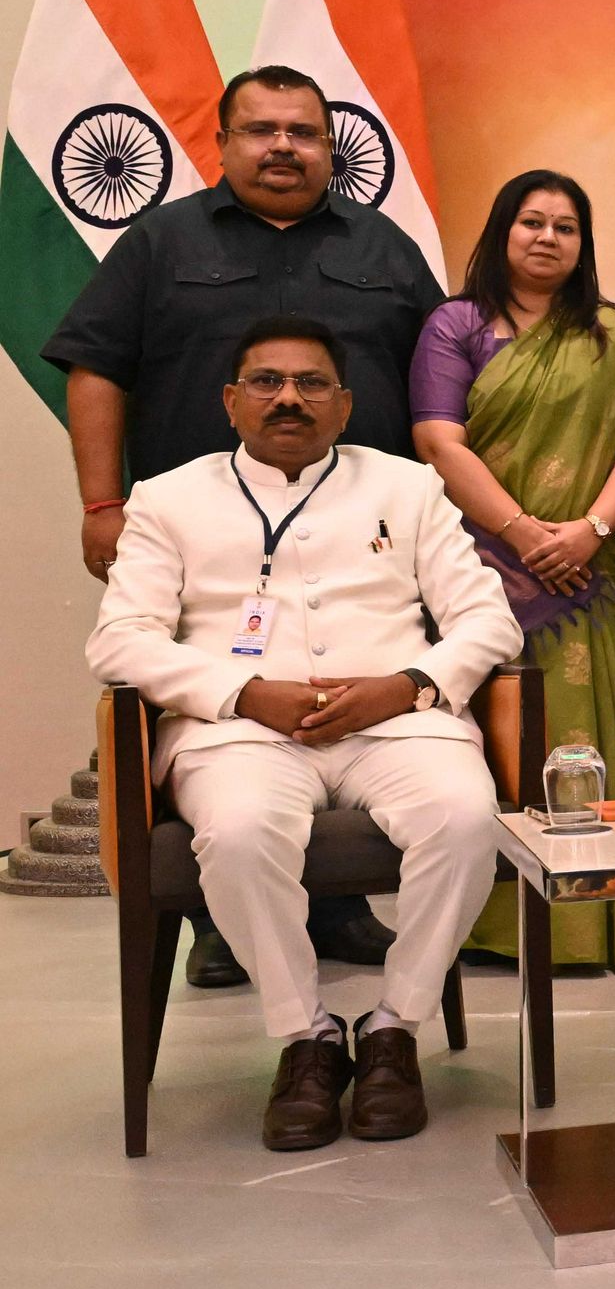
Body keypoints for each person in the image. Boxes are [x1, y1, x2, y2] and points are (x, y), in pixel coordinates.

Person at [49, 63, 446, 990]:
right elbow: (96, 366)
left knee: (345, 700)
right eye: (261, 130)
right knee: (223, 721)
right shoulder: (160, 241)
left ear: (331, 148)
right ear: (222, 143)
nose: (282, 147)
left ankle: (339, 906)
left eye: (303, 132)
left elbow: (440, 379)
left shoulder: (382, 246)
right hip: (206, 549)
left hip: (359, 544)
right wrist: (103, 503)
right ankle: (220, 919)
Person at [86, 317, 518, 1151]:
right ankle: (306, 1039)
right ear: (231, 400)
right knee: (240, 831)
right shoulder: (167, 499)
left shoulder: (409, 487)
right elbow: (120, 640)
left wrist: (407, 685)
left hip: (395, 726)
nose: (289, 398)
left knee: (468, 819)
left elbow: (486, 620)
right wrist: (244, 693)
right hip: (239, 734)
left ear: (344, 405)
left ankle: (394, 1029)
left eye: (312, 383)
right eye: (267, 382)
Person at [410, 170, 615, 970]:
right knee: (501, 738)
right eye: (532, 222)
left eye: (566, 227)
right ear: (503, 231)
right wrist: (525, 533)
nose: (548, 238)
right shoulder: (457, 325)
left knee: (612, 721)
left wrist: (589, 531)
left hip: (596, 568)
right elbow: (438, 439)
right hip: (483, 563)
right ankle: (504, 923)